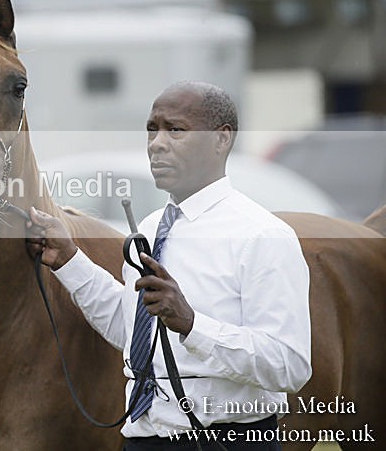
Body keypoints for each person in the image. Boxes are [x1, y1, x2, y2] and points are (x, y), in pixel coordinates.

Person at [26, 81, 311, 450]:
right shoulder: (149, 227)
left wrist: (193, 325)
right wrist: (68, 260)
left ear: (221, 139)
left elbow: (290, 365)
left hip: (227, 440)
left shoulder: (263, 235)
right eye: (151, 129)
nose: (157, 143)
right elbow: (132, 335)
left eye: (175, 129)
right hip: (143, 439)